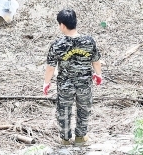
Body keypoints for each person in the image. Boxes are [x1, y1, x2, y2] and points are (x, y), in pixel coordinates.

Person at [43, 9, 102, 146]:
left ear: (62, 25)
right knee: (84, 109)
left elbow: (51, 67)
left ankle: (65, 139)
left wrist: (46, 83)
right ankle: (81, 137)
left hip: (65, 85)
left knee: (64, 110)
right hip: (84, 84)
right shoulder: (89, 41)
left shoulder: (57, 45)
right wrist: (98, 75)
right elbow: (96, 60)